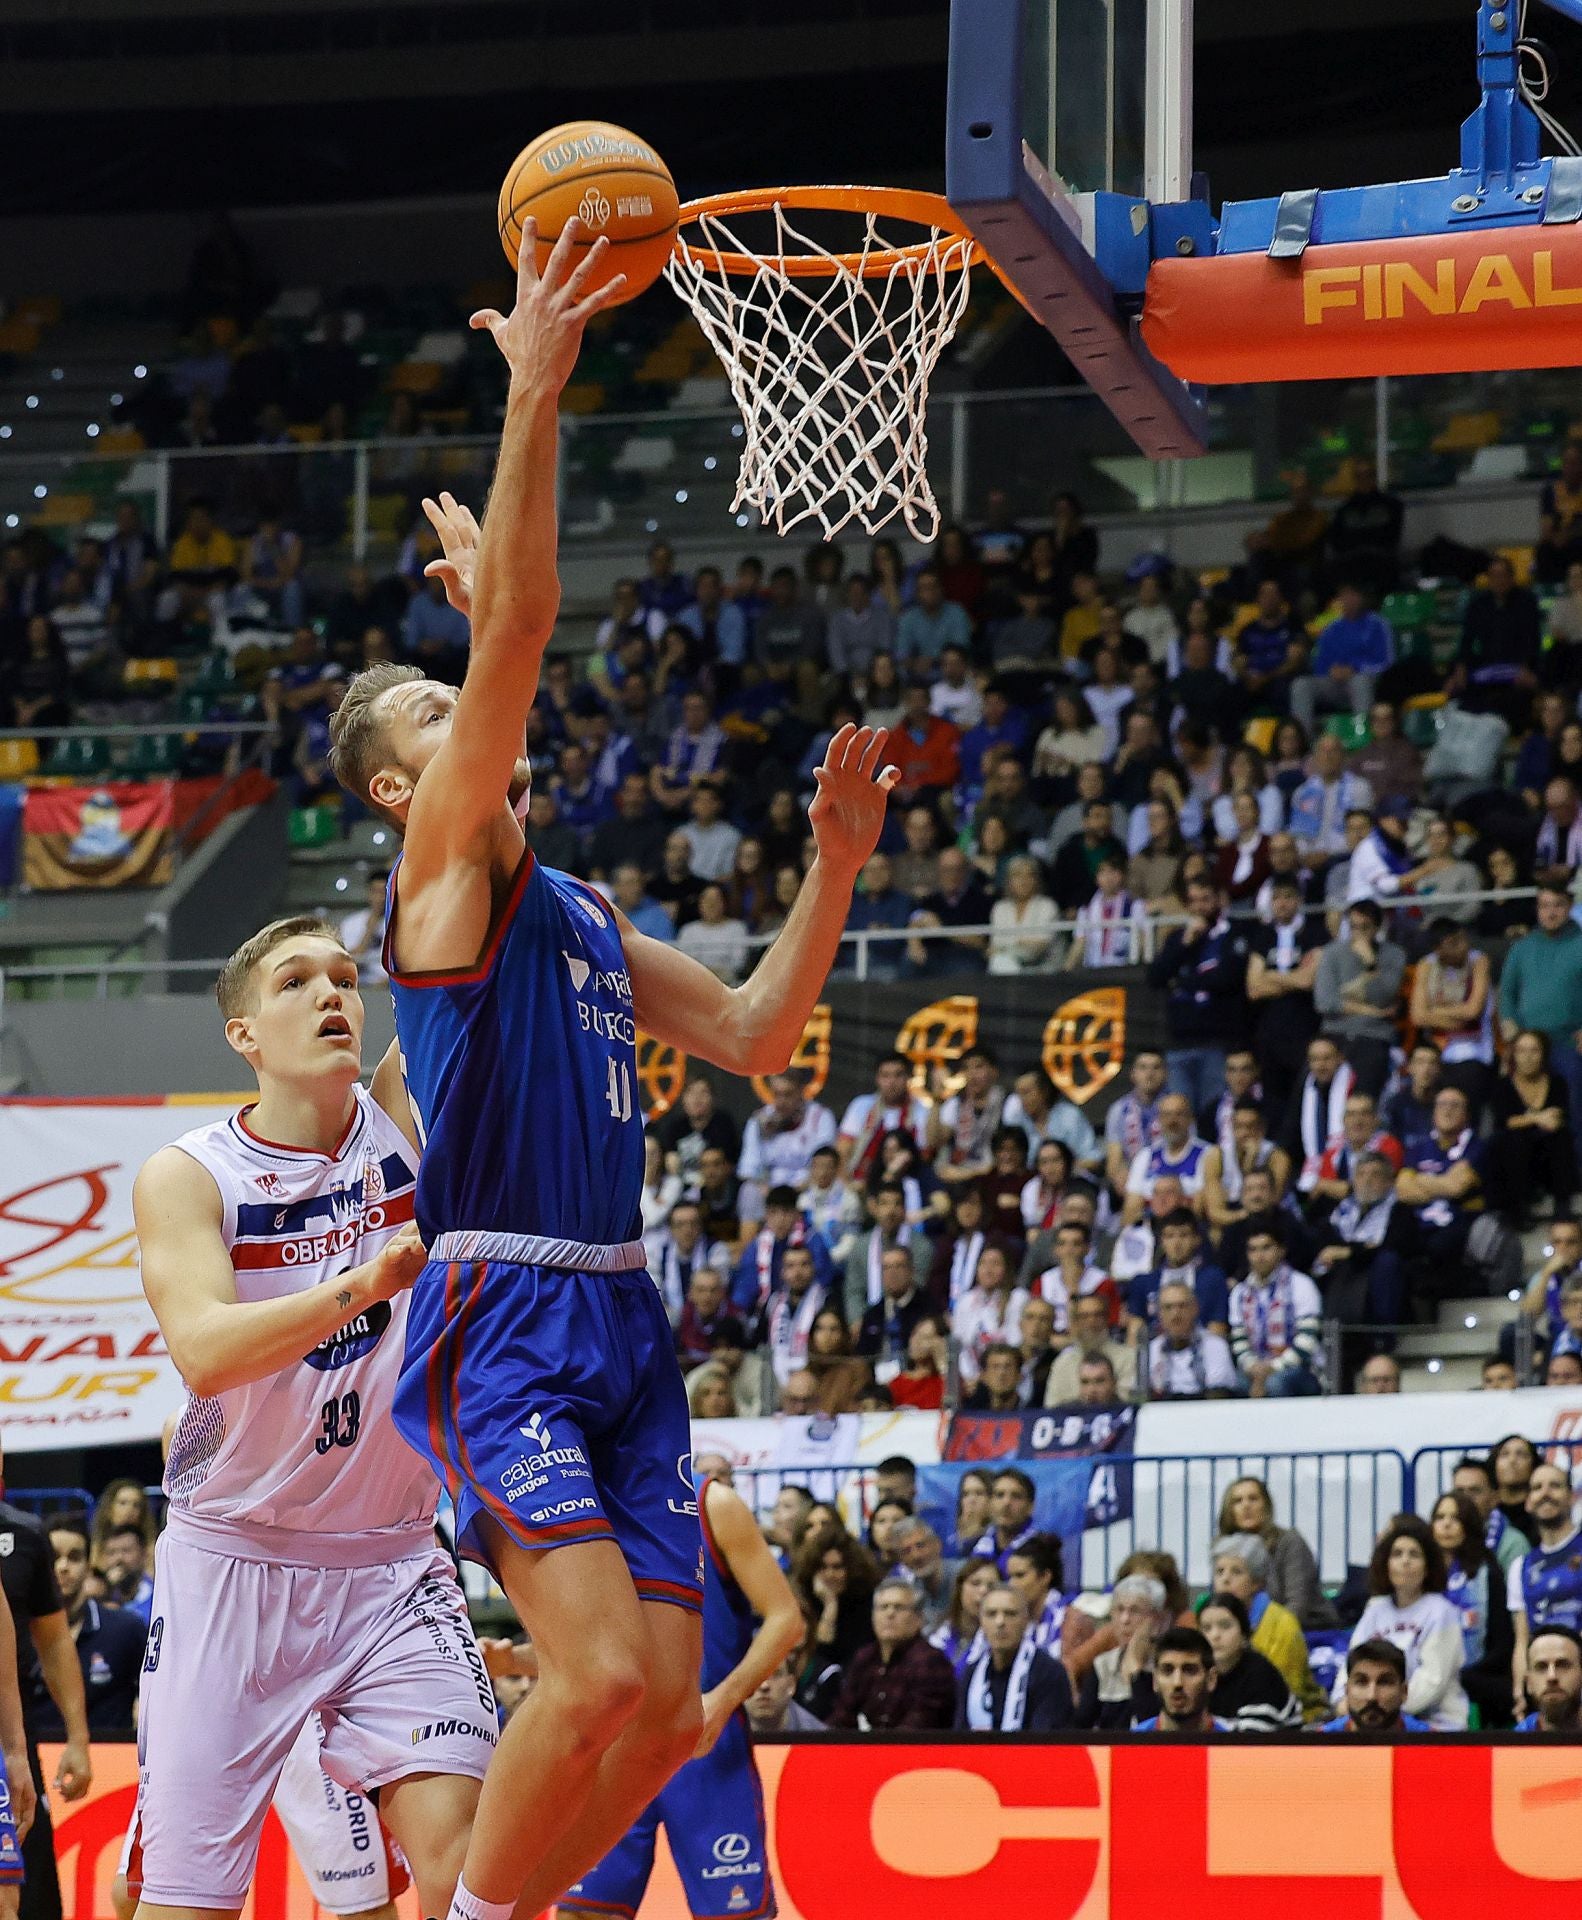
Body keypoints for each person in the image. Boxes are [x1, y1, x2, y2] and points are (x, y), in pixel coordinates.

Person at [328, 228, 901, 1920]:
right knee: (584, 1682)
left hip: (620, 1316)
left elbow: (752, 1036)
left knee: (659, 1711)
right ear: (392, 792)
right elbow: (525, 624)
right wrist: (538, 391)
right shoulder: (439, 874)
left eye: (455, 699)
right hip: (498, 1311)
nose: (464, 716)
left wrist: (839, 863)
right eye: (430, 712)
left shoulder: (572, 906)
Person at [126, 918, 496, 1920]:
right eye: (297, 983)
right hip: (231, 1572)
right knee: (184, 1907)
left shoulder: (400, 1121)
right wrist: (364, 1286)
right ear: (245, 1033)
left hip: (391, 1567)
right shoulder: (190, 1173)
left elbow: (457, 939)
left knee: (467, 1873)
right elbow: (204, 1346)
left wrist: (472, 791)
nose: (334, 993)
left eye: (344, 977)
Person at [563, 1472, 803, 1920]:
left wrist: (722, 1699)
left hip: (702, 1747)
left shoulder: (715, 1504)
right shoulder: (578, 1504)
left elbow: (785, 1620)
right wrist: (511, 1660)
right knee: (581, 1912)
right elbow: (588, 1645)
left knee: (733, 1916)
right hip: (616, 1745)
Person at [1344, 1514, 1469, 1728]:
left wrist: (1384, 1706)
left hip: (1437, 1725)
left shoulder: (1441, 1611)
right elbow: (1351, 1663)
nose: (1405, 1560)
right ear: (1386, 1564)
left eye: (1414, 1554)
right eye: (1397, 1554)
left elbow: (1433, 1681)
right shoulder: (1376, 1608)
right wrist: (1344, 1701)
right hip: (1377, 1718)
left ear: (1427, 1566)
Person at [1145, 877, 1249, 1112]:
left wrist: (1181, 981)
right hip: (1179, 1042)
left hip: (1218, 1041)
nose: (1199, 907)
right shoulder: (1178, 938)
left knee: (1215, 1112)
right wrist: (1185, 944)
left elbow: (1228, 978)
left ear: (1219, 900)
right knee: (1180, 1113)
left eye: (1205, 900)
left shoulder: (1234, 934)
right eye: (1193, 901)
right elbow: (1155, 977)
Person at [37, 1521, 144, 1737]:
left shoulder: (126, 1629)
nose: (63, 1566)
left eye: (74, 1557)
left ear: (88, 1566)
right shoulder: (19, 1634)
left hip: (112, 1763)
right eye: (54, 1557)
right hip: (37, 1761)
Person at [1498, 878, 1582, 1145]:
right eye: (1544, 906)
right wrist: (1512, 1031)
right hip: (1527, 1044)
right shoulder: (1522, 948)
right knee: (1516, 1107)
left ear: (1570, 906)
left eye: (1558, 905)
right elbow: (1506, 994)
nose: (1550, 912)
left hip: (1568, 1042)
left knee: (1572, 1102)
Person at [1210, 1534, 1326, 1717]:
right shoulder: (1207, 1619)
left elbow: (1280, 1688)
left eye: (1237, 1572)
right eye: (1220, 1571)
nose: (1225, 1579)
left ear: (1257, 1582)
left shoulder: (1282, 1624)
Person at [1430, 1489, 1515, 1728]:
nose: (1446, 1524)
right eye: (1440, 1517)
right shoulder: (1423, 1576)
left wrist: (1464, 1674)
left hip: (1479, 1674)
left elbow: (1502, 1641)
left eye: (1455, 1518)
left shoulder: (1488, 1571)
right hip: (1430, 1675)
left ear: (1468, 1525)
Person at [827, 1580, 957, 1731]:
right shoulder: (864, 1658)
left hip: (916, 1751)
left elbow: (920, 1725)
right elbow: (842, 1715)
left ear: (918, 1618)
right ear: (873, 1617)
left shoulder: (930, 1661)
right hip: (866, 1749)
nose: (890, 1614)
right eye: (883, 1607)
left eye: (899, 1607)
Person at [1215, 1476, 1335, 1631]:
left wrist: (1264, 1636)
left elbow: (1297, 1604)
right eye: (1238, 1501)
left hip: (1307, 1629)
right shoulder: (1222, 1550)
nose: (1246, 1506)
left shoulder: (1290, 1542)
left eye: (1253, 1499)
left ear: (1266, 1506)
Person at [1313, 896, 1405, 1096]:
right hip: (1334, 1032)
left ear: (1377, 928)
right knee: (1312, 1080)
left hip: (1374, 1034)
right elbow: (1325, 1002)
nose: (1359, 933)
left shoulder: (1394, 954)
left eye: (1365, 927)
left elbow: (1385, 997)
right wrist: (1370, 1010)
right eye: (1354, 927)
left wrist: (1371, 963)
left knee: (1365, 1087)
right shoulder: (1332, 953)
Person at [1509, 1459, 1582, 1714]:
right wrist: (1521, 1691)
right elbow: (1522, 1640)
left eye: (1554, 1486)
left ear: (1572, 1497)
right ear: (1528, 1501)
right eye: (1537, 1487)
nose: (1545, 1493)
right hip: (1546, 1684)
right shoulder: (1520, 1566)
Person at [1228, 1216, 1325, 1397]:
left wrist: (1272, 1368)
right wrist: (1253, 1367)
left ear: (1281, 1250)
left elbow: (1307, 1342)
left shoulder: (1301, 1285)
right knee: (1233, 1383)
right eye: (1253, 1250)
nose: (1260, 1256)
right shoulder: (1239, 1293)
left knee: (1276, 1383)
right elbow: (1239, 1341)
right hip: (1256, 1370)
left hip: (1301, 1371)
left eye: (1266, 1248)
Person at [1488, 1031, 1577, 1227]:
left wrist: (1529, 1120)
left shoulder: (1557, 1083)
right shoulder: (1503, 1086)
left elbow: (1558, 1117)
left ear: (1543, 1054)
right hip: (1516, 1159)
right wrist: (1538, 1118)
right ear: (1514, 1055)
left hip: (1547, 1158)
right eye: (1521, 1051)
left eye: (1534, 1050)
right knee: (1513, 1139)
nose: (1527, 1057)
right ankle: (1517, 1208)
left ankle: (1562, 1204)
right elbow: (1505, 1122)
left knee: (1561, 1136)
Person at [956, 1586, 1075, 1732]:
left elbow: (1046, 1741)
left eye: (1010, 1614)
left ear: (1026, 1621)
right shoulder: (971, 1673)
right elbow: (959, 1737)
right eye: (991, 1614)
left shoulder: (1049, 1672)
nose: (1000, 1622)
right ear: (981, 1622)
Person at [1196, 1592, 1301, 1731]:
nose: (1215, 1635)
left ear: (1244, 1634)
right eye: (1206, 1628)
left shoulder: (1261, 1675)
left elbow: (1250, 1743)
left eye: (1225, 1626)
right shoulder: (1196, 1673)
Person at [1145, 1282, 1237, 1400]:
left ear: (1195, 1309)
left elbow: (1218, 1395)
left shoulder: (1215, 1346)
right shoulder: (1151, 1350)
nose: (1175, 1315)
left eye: (1182, 1306)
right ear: (1159, 1314)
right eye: (1168, 1307)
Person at [1318, 1640, 1431, 1733]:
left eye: (1385, 1682)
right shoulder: (1317, 1745)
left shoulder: (1434, 1744)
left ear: (1404, 1692)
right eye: (1361, 1682)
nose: (1372, 1696)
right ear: (1346, 1691)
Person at [1132, 1627, 1228, 1733]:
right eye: (1167, 1671)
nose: (1177, 1683)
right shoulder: (1131, 1745)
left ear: (1211, 1679)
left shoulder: (1231, 1747)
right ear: (1155, 1680)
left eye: (1190, 1671)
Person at [745, 1650, 826, 1736]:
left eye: (776, 1674)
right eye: (753, 1674)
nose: (764, 1685)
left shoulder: (821, 1741)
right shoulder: (729, 1730)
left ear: (791, 1685)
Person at [1517, 1625, 1582, 1732]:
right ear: (1529, 1683)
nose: (1552, 1676)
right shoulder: (1514, 1744)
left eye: (1562, 1665)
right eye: (1541, 1667)